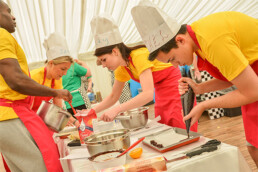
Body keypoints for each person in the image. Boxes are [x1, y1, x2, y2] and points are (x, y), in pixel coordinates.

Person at [131, 0, 258, 167]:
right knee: (253, 146)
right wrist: (200, 88)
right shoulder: (197, 40)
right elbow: (231, 76)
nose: (176, 66)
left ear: (180, 40)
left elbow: (252, 91)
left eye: (173, 59)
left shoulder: (212, 40)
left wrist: (204, 105)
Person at [89, 14, 198, 131]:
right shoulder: (121, 68)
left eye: (104, 60)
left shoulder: (138, 56)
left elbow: (147, 94)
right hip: (161, 95)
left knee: (182, 130)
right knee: (166, 130)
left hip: (176, 90)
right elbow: (113, 96)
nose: (104, 65)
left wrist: (117, 109)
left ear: (115, 51)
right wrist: (90, 112)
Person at [0, 1, 72, 172]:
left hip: (9, 117)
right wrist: (55, 92)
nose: (14, 16)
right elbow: (16, 80)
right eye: (8, 11)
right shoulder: (1, 34)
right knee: (46, 165)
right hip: (10, 113)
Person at [30, 32, 79, 126]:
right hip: (31, 121)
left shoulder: (56, 80)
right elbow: (27, 108)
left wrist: (76, 122)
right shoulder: (34, 77)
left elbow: (59, 108)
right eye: (63, 69)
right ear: (51, 63)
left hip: (40, 121)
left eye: (67, 70)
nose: (64, 74)